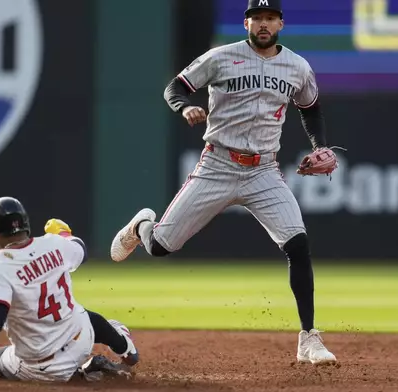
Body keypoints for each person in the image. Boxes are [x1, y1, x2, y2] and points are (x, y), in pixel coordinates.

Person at [110, 0, 339, 365]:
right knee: (162, 247)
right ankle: (142, 225)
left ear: (280, 23)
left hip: (264, 169)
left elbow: (310, 109)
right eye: (257, 18)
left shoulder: (297, 67)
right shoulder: (220, 57)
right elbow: (175, 87)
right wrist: (185, 107)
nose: (263, 24)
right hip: (217, 163)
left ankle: (308, 337)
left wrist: (319, 145)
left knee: (298, 244)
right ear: (246, 21)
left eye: (270, 18)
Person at [0, 196, 139, 383]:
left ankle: (86, 375)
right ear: (26, 225)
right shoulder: (55, 244)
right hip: (81, 340)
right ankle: (123, 348)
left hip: (43, 368)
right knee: (79, 314)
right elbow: (81, 250)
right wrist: (64, 234)